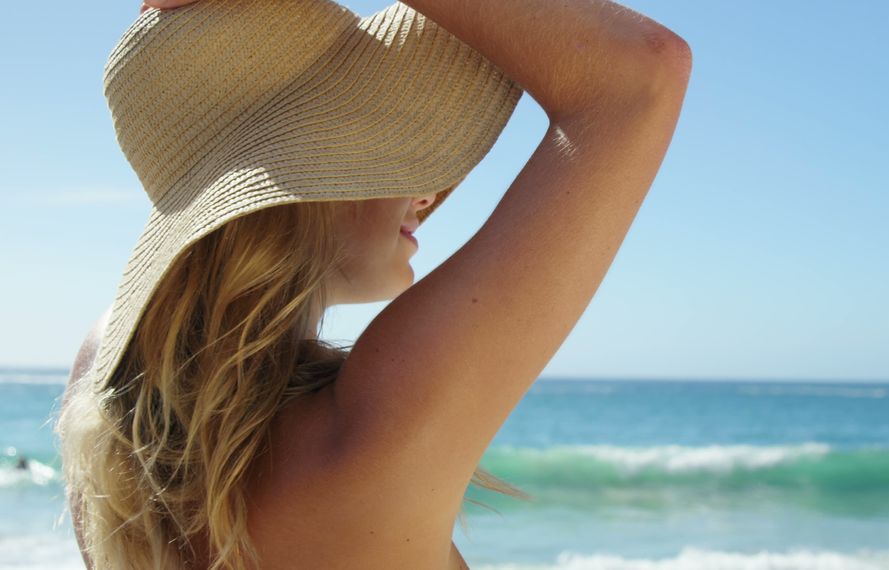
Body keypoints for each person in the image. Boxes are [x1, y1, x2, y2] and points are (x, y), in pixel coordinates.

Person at [56, 0, 691, 568]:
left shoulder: (108, 400)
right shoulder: (366, 431)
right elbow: (640, 73)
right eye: (386, 145)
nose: (429, 189)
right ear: (289, 190)